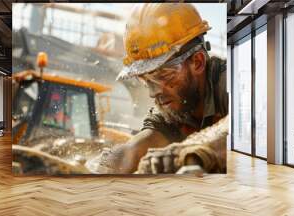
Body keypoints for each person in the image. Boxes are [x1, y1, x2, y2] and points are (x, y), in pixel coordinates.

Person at [91, 3, 228, 174]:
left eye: (163, 75)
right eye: (146, 80)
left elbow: (236, 132)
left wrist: (195, 151)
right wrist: (102, 166)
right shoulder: (173, 109)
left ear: (197, 62)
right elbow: (134, 151)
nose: (153, 92)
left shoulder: (228, 83)